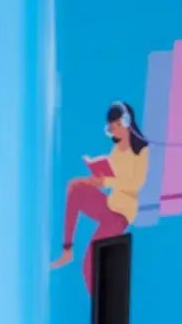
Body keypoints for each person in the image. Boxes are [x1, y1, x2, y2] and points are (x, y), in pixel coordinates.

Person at [51, 101, 150, 291]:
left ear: (126, 122)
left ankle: (101, 310)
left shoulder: (141, 152)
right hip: (110, 203)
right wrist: (96, 180)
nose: (113, 132)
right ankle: (67, 250)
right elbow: (110, 177)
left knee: (90, 263)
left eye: (115, 126)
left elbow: (135, 184)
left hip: (122, 213)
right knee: (75, 187)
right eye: (110, 129)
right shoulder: (116, 150)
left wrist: (106, 182)